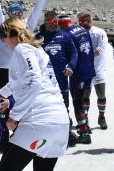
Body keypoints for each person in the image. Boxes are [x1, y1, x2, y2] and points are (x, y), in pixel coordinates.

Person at [0, 17, 70, 171]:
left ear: (9, 36)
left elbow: (34, 82)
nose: (4, 43)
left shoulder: (22, 49)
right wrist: (0, 94)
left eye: (3, 38)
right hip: (60, 123)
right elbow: (24, 81)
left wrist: (14, 116)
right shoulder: (38, 50)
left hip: (39, 121)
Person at [0, 0, 50, 149]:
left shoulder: (26, 28)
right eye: (12, 12)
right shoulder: (3, 26)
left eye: (19, 12)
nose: (15, 15)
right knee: (0, 108)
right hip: (3, 71)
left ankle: (19, 140)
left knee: (21, 105)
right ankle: (2, 140)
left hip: (23, 73)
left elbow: (38, 11)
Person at [35, 11, 78, 139]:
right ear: (45, 21)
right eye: (50, 21)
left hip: (61, 79)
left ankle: (65, 133)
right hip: (44, 82)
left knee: (64, 108)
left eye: (55, 21)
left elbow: (74, 54)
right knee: (45, 109)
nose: (53, 24)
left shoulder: (65, 36)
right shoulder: (38, 38)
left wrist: (71, 67)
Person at [59, 14, 96, 144]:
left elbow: (69, 54)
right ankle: (86, 126)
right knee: (85, 99)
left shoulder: (67, 34)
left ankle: (84, 132)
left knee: (77, 102)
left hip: (78, 72)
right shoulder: (83, 30)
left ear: (62, 24)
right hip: (89, 69)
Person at [78, 12, 110, 130]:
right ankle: (85, 120)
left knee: (101, 94)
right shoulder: (80, 33)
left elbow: (99, 50)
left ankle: (101, 117)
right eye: (80, 22)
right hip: (85, 70)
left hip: (98, 68)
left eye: (84, 21)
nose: (82, 24)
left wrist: (86, 54)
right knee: (85, 96)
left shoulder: (99, 32)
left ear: (89, 20)